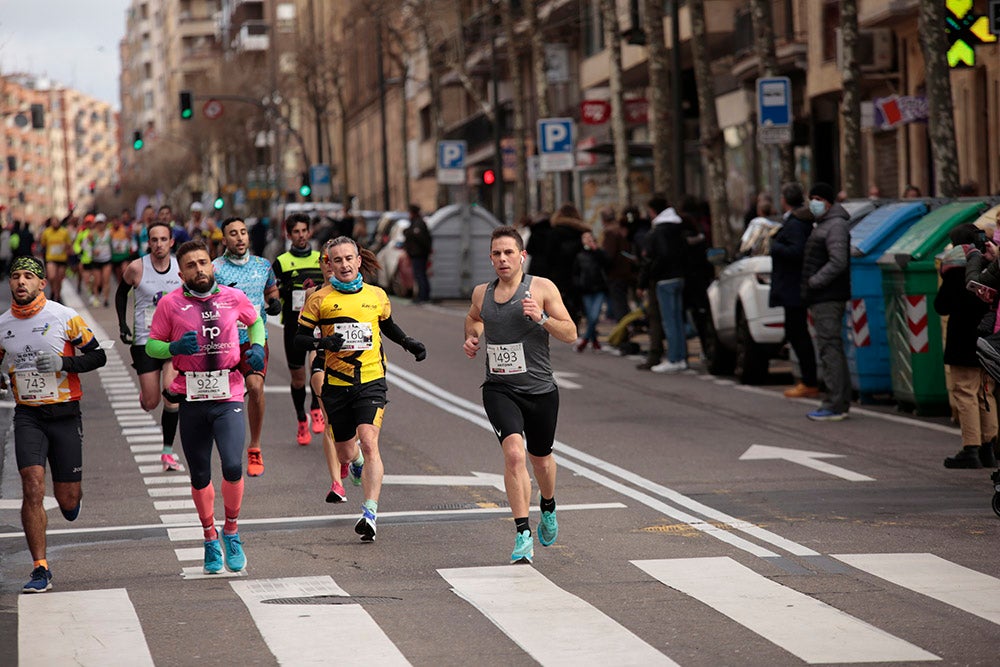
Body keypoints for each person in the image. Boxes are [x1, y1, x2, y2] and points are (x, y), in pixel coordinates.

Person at [295, 236, 426, 542]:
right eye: (337, 260)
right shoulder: (319, 299)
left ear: (358, 260)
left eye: (349, 259)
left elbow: (387, 325)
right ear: (329, 263)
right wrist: (323, 343)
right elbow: (299, 339)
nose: (344, 265)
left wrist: (409, 343)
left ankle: (369, 514)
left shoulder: (377, 295)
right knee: (346, 453)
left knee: (369, 441)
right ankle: (353, 464)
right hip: (337, 385)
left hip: (371, 380)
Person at [146, 240, 263, 574]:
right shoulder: (169, 305)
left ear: (212, 265)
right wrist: (172, 346)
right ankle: (209, 536)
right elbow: (152, 346)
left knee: (232, 465)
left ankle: (232, 531)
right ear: (181, 273)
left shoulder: (232, 297)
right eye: (191, 265)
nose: (199, 269)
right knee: (199, 475)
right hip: (192, 396)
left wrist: (255, 346)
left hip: (228, 393)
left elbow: (254, 321)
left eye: (203, 263)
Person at [462, 226, 577, 564]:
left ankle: (549, 504)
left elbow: (570, 332)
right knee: (514, 453)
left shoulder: (541, 288)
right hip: (499, 388)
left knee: (541, 459)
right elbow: (474, 319)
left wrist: (541, 318)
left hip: (540, 390)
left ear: (521, 256)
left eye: (509, 253)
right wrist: (472, 337)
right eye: (496, 254)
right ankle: (522, 531)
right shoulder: (482, 293)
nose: (502, 259)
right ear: (491, 258)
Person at [0, 256, 107, 592]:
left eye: (28, 277)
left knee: (68, 502)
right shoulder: (3, 324)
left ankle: (71, 498)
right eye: (15, 276)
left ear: (41, 283)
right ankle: (40, 568)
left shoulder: (64, 317)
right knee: (32, 486)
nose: (21, 282)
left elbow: (98, 355)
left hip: (64, 414)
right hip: (28, 415)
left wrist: (64, 362)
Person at [213, 217, 280, 477]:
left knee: (255, 387)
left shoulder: (263, 265)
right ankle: (228, 449)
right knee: (226, 398)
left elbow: (272, 293)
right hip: (224, 340)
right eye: (233, 233)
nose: (240, 238)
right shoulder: (215, 268)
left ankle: (254, 447)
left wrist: (274, 303)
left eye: (243, 232)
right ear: (224, 240)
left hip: (255, 336)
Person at [115, 220, 185, 472]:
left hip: (172, 341)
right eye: (154, 240)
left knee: (172, 392)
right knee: (151, 402)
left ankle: (167, 452)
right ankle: (145, 395)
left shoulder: (180, 267)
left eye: (163, 239)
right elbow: (121, 293)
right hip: (144, 340)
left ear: (171, 242)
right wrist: (123, 325)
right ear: (149, 242)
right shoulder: (136, 267)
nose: (158, 244)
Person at [935, 225, 997, 469]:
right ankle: (988, 448)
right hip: (988, 339)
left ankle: (970, 447)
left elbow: (942, 306)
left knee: (965, 392)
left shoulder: (955, 272)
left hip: (962, 341)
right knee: (985, 392)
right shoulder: (990, 267)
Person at [272, 213, 326, 445]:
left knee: (317, 368)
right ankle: (301, 419)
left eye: (304, 231)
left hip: (317, 325)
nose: (301, 235)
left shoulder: (320, 259)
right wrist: (277, 298)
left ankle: (315, 408)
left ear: (309, 232)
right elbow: (272, 290)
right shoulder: (282, 262)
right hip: (294, 326)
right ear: (289, 234)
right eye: (296, 232)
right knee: (297, 378)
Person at [801, 182, 852, 421]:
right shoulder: (825, 224)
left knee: (829, 348)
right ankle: (837, 401)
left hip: (828, 296)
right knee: (830, 347)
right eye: (811, 198)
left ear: (828, 202)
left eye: (817, 198)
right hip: (824, 295)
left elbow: (838, 261)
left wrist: (815, 281)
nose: (813, 203)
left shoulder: (835, 226)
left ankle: (833, 403)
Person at [770, 182, 819, 399]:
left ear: (784, 200)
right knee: (795, 332)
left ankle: (809, 380)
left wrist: (775, 247)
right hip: (792, 285)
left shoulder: (796, 223)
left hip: (793, 286)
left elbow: (797, 251)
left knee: (798, 333)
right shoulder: (798, 220)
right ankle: (807, 379)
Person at [638, 195, 689, 373]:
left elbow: (656, 257)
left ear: (653, 211)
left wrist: (648, 277)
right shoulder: (679, 226)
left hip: (664, 279)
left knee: (669, 321)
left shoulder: (658, 231)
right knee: (678, 320)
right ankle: (681, 357)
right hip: (680, 277)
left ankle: (674, 359)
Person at [571, 230, 608, 351]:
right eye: (585, 238)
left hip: (599, 288)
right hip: (586, 290)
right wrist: (578, 284)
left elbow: (607, 262)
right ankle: (595, 341)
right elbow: (575, 273)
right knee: (590, 316)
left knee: (594, 316)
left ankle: (585, 340)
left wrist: (596, 249)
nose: (587, 240)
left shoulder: (598, 252)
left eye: (589, 238)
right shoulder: (579, 255)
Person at [403, 204, 432, 303]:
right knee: (419, 275)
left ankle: (423, 296)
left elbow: (421, 238)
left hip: (419, 254)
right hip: (417, 254)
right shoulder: (415, 223)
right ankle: (422, 295)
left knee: (420, 275)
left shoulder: (418, 223)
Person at [39, 216, 71, 302]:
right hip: (51, 258)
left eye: (56, 222)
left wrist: (65, 247)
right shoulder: (47, 232)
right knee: (52, 276)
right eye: (53, 222)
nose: (54, 223)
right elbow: (43, 244)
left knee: (59, 279)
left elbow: (69, 244)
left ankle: (58, 294)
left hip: (62, 258)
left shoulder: (64, 232)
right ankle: (53, 291)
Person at [89, 214, 114, 307]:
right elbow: (86, 246)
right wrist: (93, 250)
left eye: (102, 223)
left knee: (106, 280)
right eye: (98, 223)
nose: (100, 225)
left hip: (107, 259)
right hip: (96, 261)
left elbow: (114, 244)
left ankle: (106, 299)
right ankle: (96, 297)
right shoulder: (92, 234)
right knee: (97, 281)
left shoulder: (109, 233)